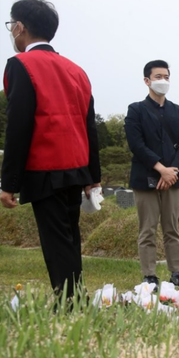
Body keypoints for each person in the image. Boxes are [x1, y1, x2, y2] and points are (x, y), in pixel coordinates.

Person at [1, 0, 101, 299]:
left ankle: (70, 304)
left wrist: (9, 183)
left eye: (11, 26)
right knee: (69, 238)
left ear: (20, 27)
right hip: (76, 167)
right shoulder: (77, 70)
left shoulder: (20, 64)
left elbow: (18, 125)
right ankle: (74, 297)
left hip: (44, 167)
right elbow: (89, 127)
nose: (11, 32)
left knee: (56, 242)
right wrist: (93, 176)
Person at [124, 60, 179, 289]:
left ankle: (177, 272)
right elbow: (137, 144)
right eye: (158, 77)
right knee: (148, 229)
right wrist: (160, 168)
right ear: (147, 80)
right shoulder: (136, 110)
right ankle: (149, 275)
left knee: (172, 228)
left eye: (166, 76)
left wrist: (172, 171)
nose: (162, 81)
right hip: (146, 179)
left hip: (174, 179)